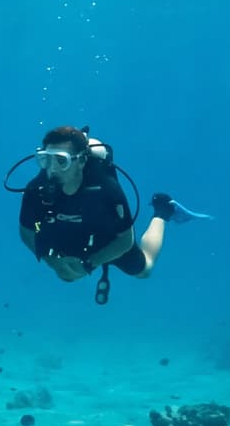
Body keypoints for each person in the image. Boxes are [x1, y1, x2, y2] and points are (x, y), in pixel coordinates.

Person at [14, 125, 186, 303]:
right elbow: (26, 232)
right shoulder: (36, 189)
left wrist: (89, 263)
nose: (52, 169)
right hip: (68, 235)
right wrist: (51, 260)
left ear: (80, 162)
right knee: (67, 277)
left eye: (61, 160)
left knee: (144, 270)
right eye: (45, 160)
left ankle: (163, 211)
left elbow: (125, 240)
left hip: (108, 239)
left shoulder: (106, 188)